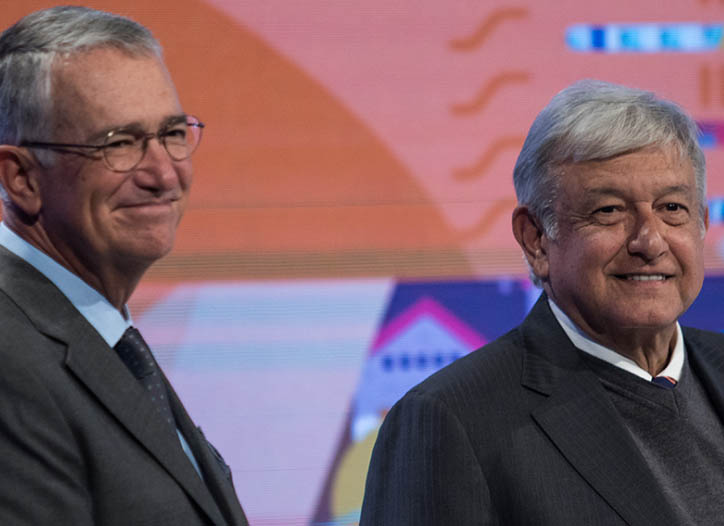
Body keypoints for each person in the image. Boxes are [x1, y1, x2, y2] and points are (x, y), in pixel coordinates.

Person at [360, 79, 724, 525]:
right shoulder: (449, 422)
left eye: (672, 208)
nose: (649, 241)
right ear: (536, 239)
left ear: (701, 224)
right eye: (609, 211)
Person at [0, 6, 248, 525]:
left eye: (172, 133)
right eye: (119, 143)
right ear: (20, 177)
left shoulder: (105, 338)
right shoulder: (10, 358)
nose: (164, 174)